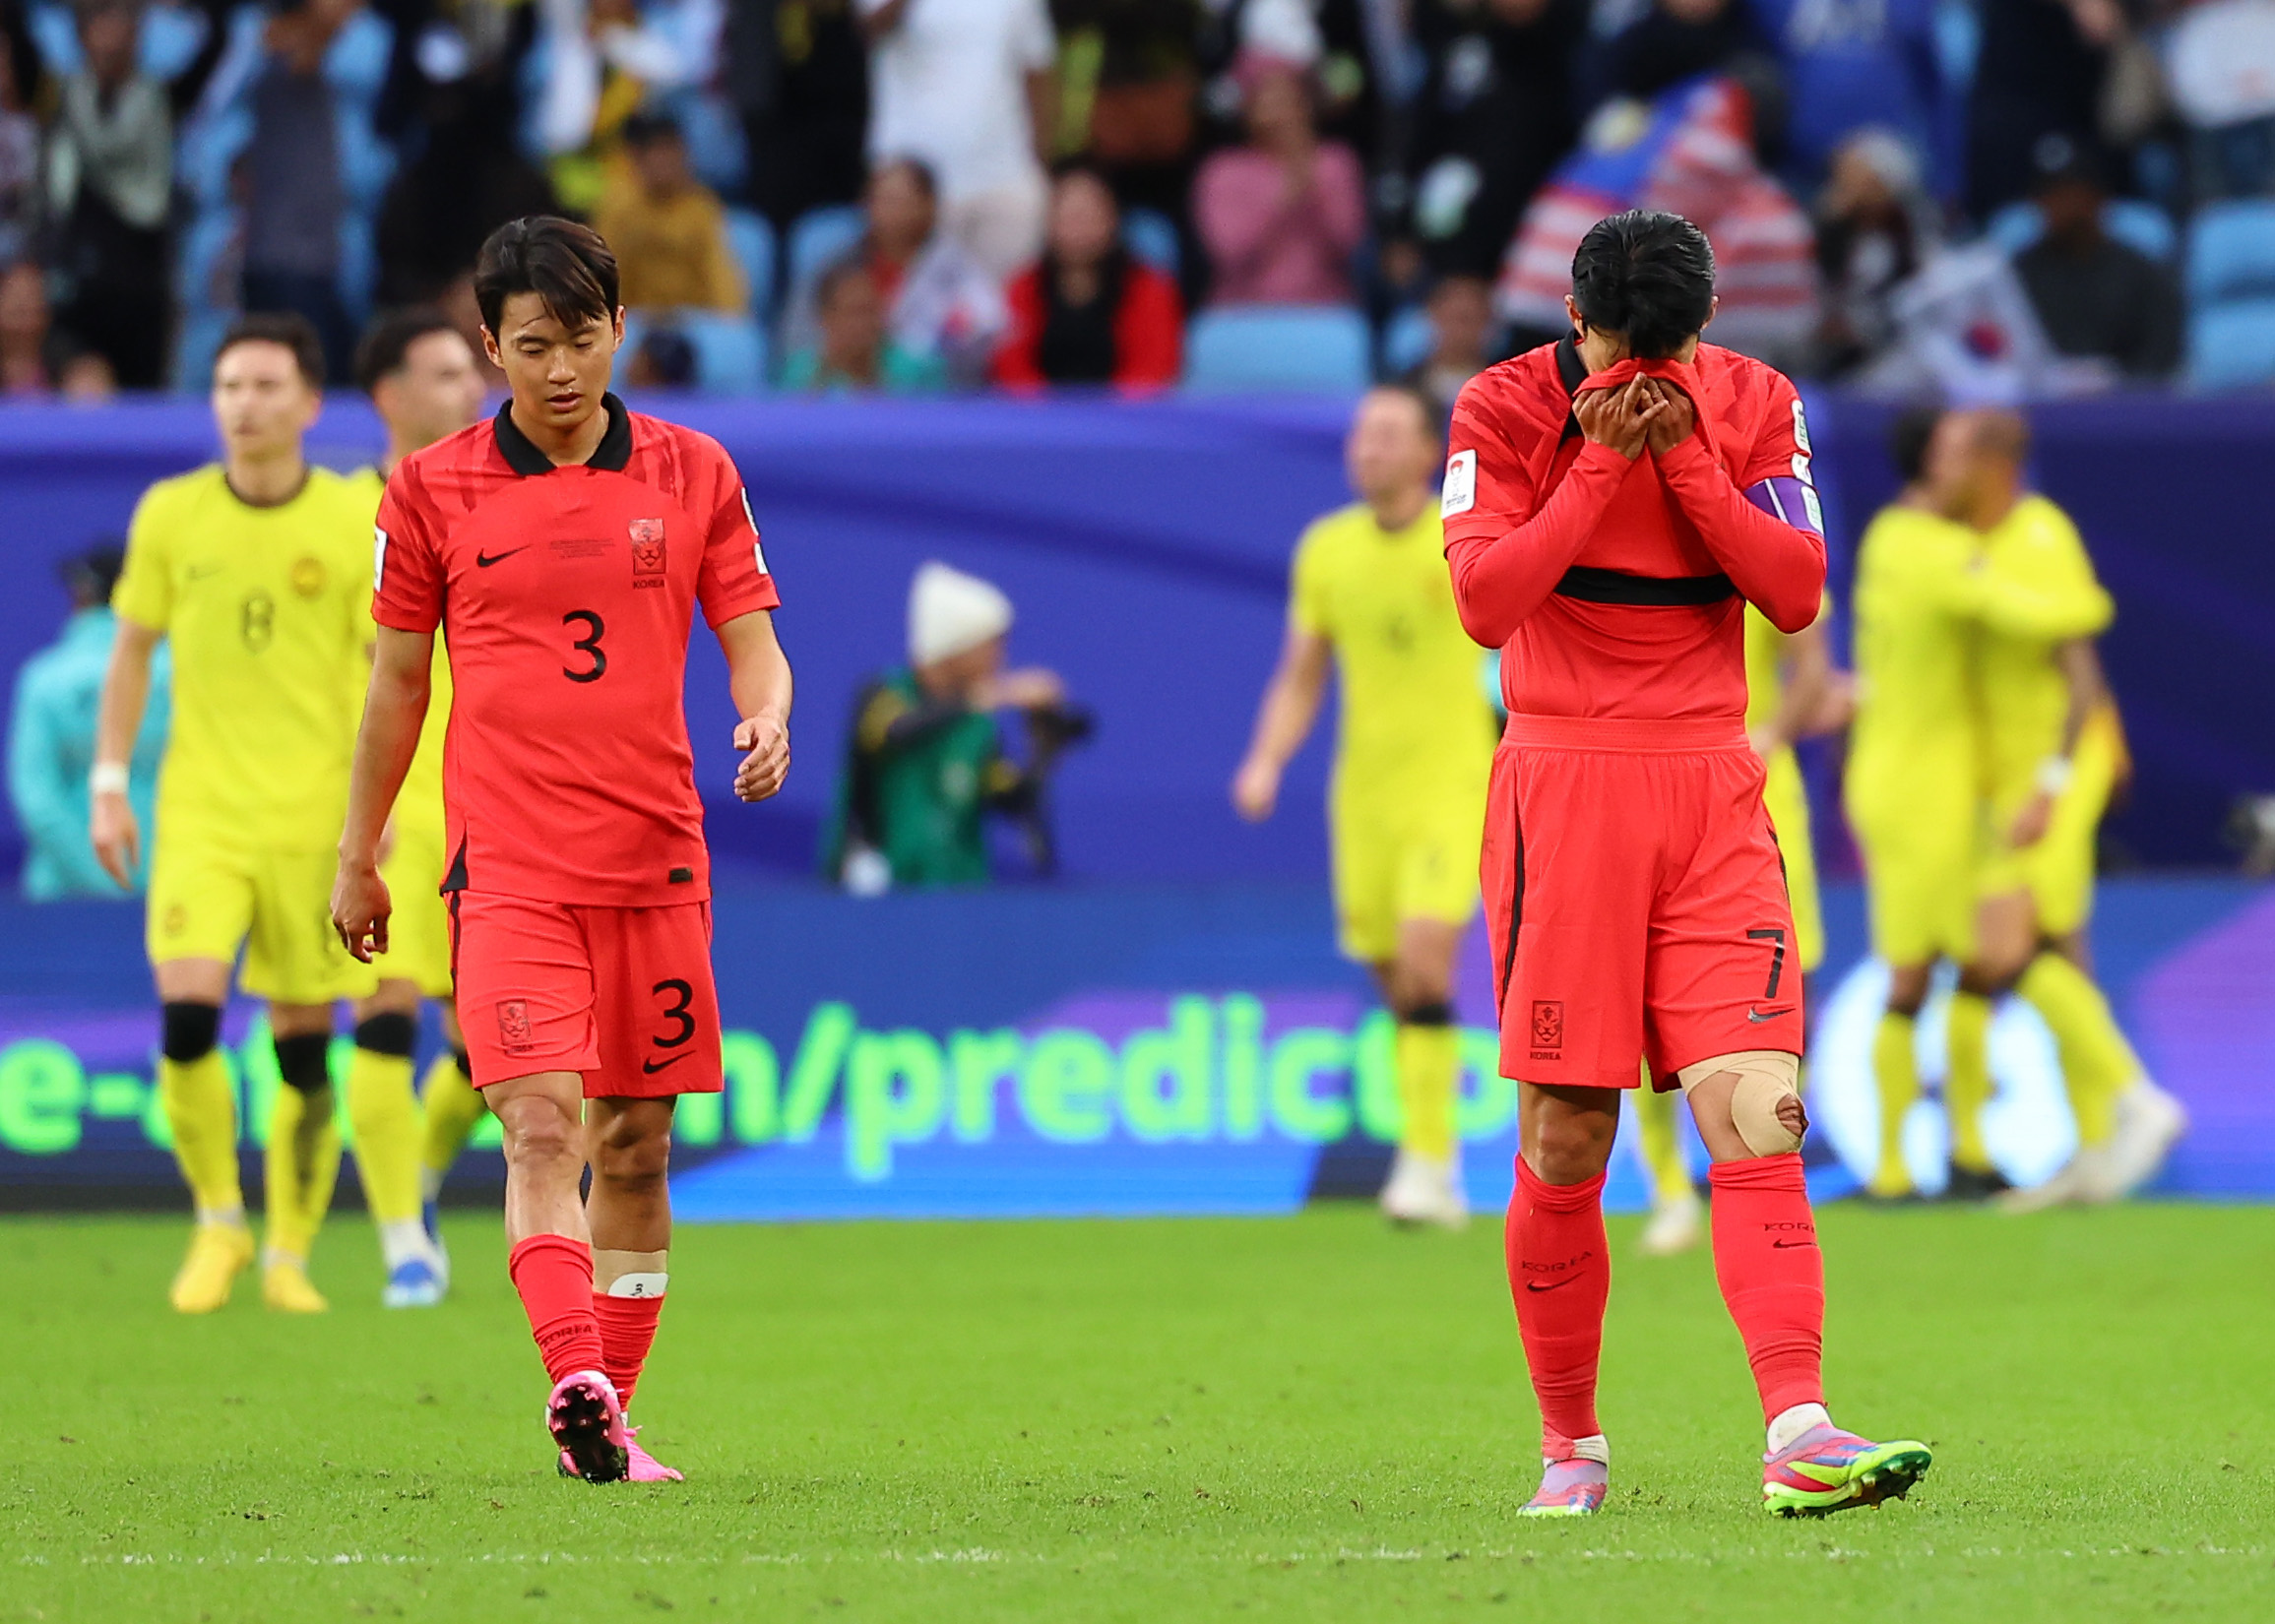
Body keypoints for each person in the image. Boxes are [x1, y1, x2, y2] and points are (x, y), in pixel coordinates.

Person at [1443, 209, 1928, 1517]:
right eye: (1619, 353)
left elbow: (1793, 586)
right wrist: (1598, 469)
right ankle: (1570, 1445)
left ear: (1704, 330)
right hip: (1561, 781)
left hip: (1708, 785)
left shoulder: (1755, 399)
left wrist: (1693, 472)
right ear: (1573, 321)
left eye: (1667, 354)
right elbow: (1485, 602)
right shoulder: (1495, 410)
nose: (1644, 379)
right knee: (1564, 1131)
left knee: (1755, 1108)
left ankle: (1798, 1426)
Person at [331, 217, 792, 1483]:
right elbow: (394, 691)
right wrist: (358, 849)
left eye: (581, 338)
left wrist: (766, 712)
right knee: (541, 1131)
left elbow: (750, 629)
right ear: (491, 346)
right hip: (512, 868)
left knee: (637, 1144)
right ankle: (573, 1377)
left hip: (655, 858)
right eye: (530, 346)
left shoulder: (696, 469)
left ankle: (609, 1417)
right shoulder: (428, 490)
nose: (559, 370)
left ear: (618, 331)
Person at [90, 314, 403, 1317]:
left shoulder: (354, 519)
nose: (246, 405)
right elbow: (132, 650)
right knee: (186, 1015)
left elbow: (381, 669)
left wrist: (379, 807)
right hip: (203, 813)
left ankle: (288, 1254)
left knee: (303, 1046)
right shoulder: (172, 514)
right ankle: (219, 1221)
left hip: (315, 819)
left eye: (267, 387)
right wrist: (107, 783)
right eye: (229, 387)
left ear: (310, 405)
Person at [1232, 387, 1497, 1227]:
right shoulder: (1326, 551)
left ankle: (1425, 1164)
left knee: (1426, 959)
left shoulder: (1463, 540)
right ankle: (1437, 1167)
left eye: (1389, 434)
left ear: (1429, 454)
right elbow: (1301, 674)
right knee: (1395, 979)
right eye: (1360, 434)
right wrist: (1266, 760)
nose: (1369, 447)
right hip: (1365, 795)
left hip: (1454, 783)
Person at [1922, 408, 2185, 1206]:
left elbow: (2080, 675)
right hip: (2011, 784)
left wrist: (2051, 785)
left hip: (2054, 777)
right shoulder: (1976, 545)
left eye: (1947, 457)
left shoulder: (2039, 537)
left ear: (1993, 463)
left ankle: (2138, 1101)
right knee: (2059, 953)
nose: (1936, 472)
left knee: (2007, 944)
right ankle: (2094, 1146)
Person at [345, 307, 490, 1298]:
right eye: (444, 373)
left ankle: (422, 1171)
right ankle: (403, 1244)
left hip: (480, 794)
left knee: (488, 1047)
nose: (469, 389)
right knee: (384, 1009)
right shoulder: (341, 512)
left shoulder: (498, 504)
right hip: (384, 801)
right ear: (389, 395)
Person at [1631, 592, 1844, 1254]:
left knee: (1783, 988)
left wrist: (1772, 731)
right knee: (1641, 999)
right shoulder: (1644, 563)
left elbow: (1814, 671)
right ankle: (1669, 1194)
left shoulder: (1762, 557)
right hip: (1654, 793)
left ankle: (1770, 1179)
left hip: (1757, 792)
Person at [1843, 405, 1989, 1201]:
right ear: (1928, 464)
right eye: (1959, 450)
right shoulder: (1923, 547)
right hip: (1909, 782)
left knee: (1969, 963)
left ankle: (1966, 1152)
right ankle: (1895, 1168)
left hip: (1934, 776)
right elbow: (2012, 606)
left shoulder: (1904, 541)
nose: (1974, 467)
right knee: (1914, 970)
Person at [822, 561, 1072, 890]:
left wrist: (1043, 753)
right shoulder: (886, 695)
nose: (1000, 660)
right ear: (958, 646)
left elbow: (1012, 800)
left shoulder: (977, 728)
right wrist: (989, 696)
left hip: (957, 900)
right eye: (991, 645)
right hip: (878, 895)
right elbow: (893, 733)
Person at [8, 545, 168, 899]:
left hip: (64, 896)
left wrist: (101, 881)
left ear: (83, 596)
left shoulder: (45, 678)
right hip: (176, 888)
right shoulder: (184, 674)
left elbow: (37, 796)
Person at [855, 0, 1058, 279]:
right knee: (904, 306)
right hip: (910, 179)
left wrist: (1041, 160)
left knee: (1010, 307)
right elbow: (870, 28)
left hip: (1006, 175)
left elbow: (1036, 68)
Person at [782, 158, 1009, 384]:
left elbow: (984, 331)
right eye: (878, 200)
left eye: (897, 201)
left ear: (929, 205)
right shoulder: (837, 267)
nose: (886, 211)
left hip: (927, 391)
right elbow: (798, 338)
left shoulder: (960, 271)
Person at [44, 0, 174, 390]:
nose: (111, 41)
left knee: (145, 411)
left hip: (142, 292)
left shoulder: (163, 98)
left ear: (137, 36)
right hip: (76, 290)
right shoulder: (58, 96)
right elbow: (17, 44)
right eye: (100, 26)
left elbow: (216, 44)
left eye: (122, 27)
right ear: (82, 37)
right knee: (83, 394)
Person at [991, 163, 1183, 392]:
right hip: (1038, 421)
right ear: (1049, 223)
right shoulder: (1022, 287)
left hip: (1123, 420)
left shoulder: (1149, 287)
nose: (1079, 228)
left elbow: (1155, 366)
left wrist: (1107, 413)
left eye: (1090, 216)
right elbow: (1010, 364)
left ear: (1113, 220)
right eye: (1069, 217)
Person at [1192, 56, 1366, 306]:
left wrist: (1307, 170)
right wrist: (1286, 195)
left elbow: (1347, 242)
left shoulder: (1335, 163)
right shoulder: (1223, 170)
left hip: (1323, 309)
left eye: (1287, 100)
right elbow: (1229, 253)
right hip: (1243, 310)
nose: (1279, 114)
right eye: (1267, 101)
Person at [2011, 143, 2180, 384]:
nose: (2059, 205)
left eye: (2069, 192)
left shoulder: (2139, 272)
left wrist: (2116, 381)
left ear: (2097, 197)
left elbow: (2162, 353)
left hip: (2124, 409)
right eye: (2048, 195)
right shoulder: (2019, 274)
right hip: (2044, 408)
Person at [591, 111, 748, 315]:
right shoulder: (618, 207)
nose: (666, 162)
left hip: (692, 320)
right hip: (633, 320)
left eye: (672, 151)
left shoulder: (701, 207)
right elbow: (605, 277)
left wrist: (731, 319)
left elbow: (720, 273)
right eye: (658, 152)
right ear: (638, 159)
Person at [781, 258, 950, 393]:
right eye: (853, 312)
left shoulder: (918, 373)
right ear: (825, 318)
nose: (864, 324)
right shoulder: (800, 376)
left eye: (870, 311)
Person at [1401, 273, 1499, 431]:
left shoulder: (1506, 390)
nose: (1459, 330)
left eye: (1467, 319)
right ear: (1433, 317)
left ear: (1488, 324)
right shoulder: (1406, 384)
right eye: (1451, 318)